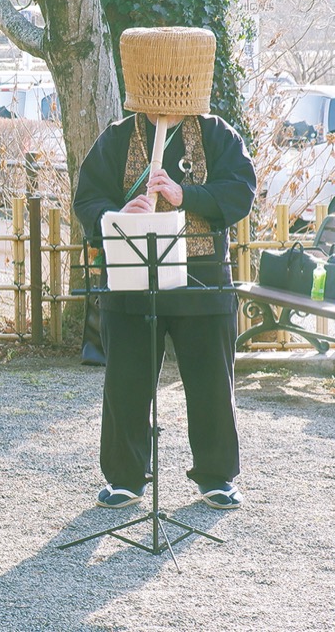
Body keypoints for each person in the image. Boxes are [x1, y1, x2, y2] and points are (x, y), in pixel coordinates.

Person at [73, 30, 256, 511]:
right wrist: (117, 216)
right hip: (134, 277)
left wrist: (183, 195)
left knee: (211, 382)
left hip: (202, 276)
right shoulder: (117, 137)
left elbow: (240, 193)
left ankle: (216, 476)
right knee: (127, 381)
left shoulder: (216, 134)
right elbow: (87, 198)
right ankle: (125, 477)